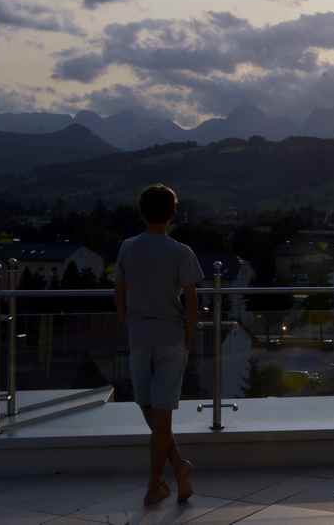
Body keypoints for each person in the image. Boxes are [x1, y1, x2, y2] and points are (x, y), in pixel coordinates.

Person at [115, 184, 204, 506]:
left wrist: (127, 322)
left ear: (142, 212)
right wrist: (190, 336)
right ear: (172, 214)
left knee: (148, 409)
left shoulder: (127, 248)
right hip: (171, 338)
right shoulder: (181, 252)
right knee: (159, 415)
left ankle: (158, 482)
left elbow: (120, 293)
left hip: (140, 336)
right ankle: (177, 469)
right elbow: (192, 299)